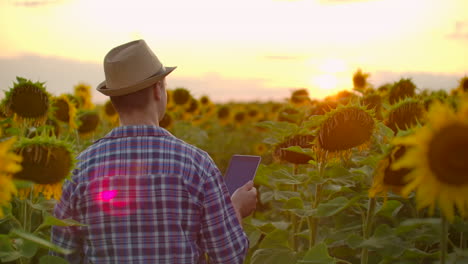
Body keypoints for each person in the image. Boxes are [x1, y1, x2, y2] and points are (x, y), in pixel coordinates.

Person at [51, 39, 257, 264]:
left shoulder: (80, 169)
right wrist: (235, 208)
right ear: (158, 90)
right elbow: (229, 255)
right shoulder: (197, 164)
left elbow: (60, 256)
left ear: (114, 100)